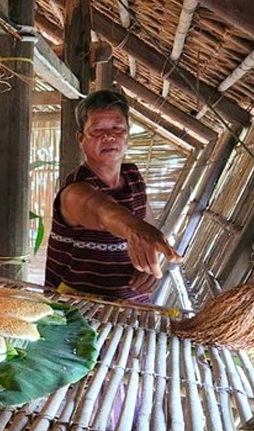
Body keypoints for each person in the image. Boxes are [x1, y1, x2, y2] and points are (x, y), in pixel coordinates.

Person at [45, 90, 182, 303]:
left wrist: (149, 264)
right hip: (78, 312)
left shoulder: (133, 177)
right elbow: (102, 211)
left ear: (127, 134)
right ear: (81, 139)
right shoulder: (76, 190)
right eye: (97, 130)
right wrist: (134, 230)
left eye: (117, 128)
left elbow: (145, 224)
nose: (108, 136)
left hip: (130, 310)